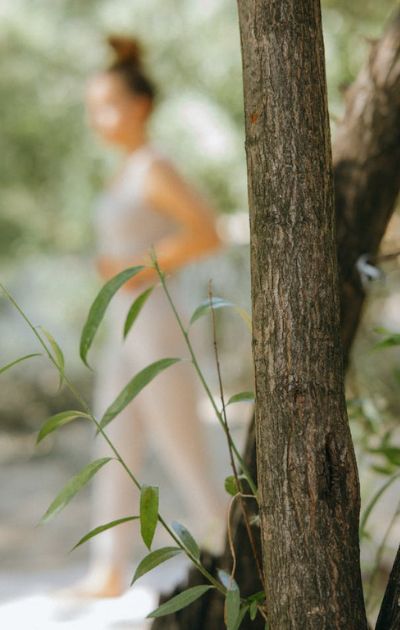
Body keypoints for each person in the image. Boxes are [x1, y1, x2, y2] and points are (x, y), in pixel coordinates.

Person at [76, 35, 224, 598]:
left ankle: (231, 553)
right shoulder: (127, 168)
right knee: (113, 442)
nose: (97, 118)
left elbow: (207, 232)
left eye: (106, 105)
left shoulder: (155, 166)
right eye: (92, 108)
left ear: (139, 105)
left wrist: (136, 264)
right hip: (122, 325)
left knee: (180, 443)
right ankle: (107, 569)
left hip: (155, 318)